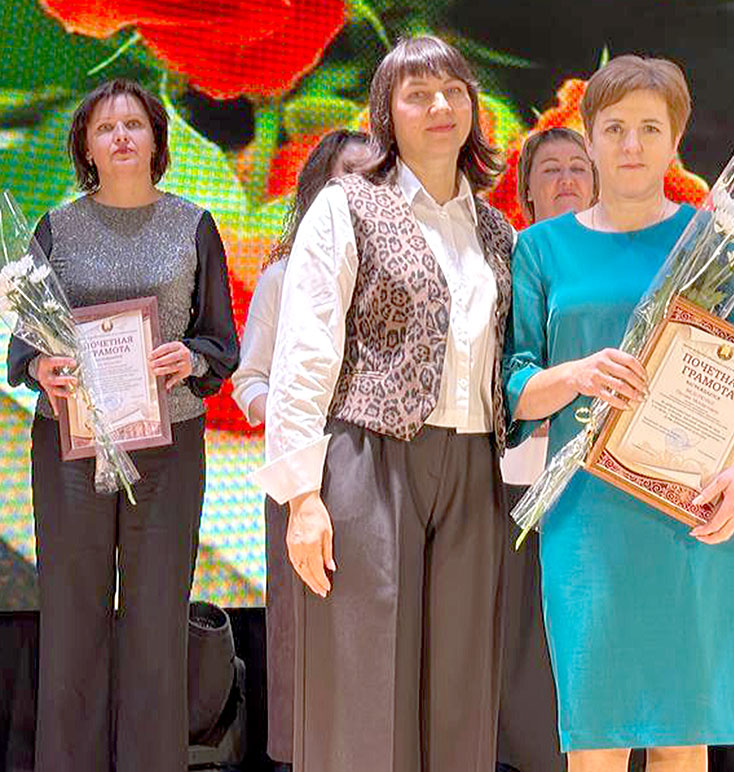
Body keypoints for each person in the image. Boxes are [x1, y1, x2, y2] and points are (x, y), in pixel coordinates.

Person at [502, 55, 734, 772]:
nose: (631, 145)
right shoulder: (540, 248)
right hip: (587, 519)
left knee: (681, 742)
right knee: (596, 740)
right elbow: (515, 386)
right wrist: (577, 373)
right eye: (615, 127)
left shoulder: (720, 245)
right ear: (590, 137)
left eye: (650, 129)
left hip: (694, 511)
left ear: (675, 140)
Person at [254, 36, 515, 772]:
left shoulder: (497, 231)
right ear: (386, 114)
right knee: (363, 686)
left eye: (453, 91)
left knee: (462, 692)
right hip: (368, 460)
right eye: (417, 94)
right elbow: (304, 353)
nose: (439, 106)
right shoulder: (345, 207)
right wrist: (303, 497)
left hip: (474, 466)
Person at [5, 79, 239, 772]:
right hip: (71, 444)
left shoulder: (193, 224)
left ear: (156, 140)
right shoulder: (55, 227)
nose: (121, 137)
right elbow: (23, 346)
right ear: (86, 147)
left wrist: (190, 356)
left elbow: (219, 342)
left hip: (169, 444)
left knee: (156, 624)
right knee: (72, 619)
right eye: (105, 128)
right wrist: (39, 367)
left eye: (134, 124)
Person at [231, 128, 368, 770]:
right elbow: (249, 380)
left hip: (381, 474)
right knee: (302, 633)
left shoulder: (408, 276)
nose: (362, 188)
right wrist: (288, 418)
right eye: (348, 174)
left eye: (376, 174)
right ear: (319, 187)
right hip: (301, 478)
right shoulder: (284, 276)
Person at [498, 126, 597, 772]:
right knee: (527, 642)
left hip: (604, 480)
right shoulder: (511, 258)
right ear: (526, 192)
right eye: (550, 169)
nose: (566, 179)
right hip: (520, 477)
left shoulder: (623, 260)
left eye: (578, 168)